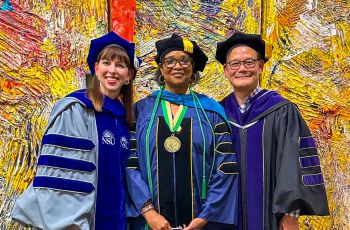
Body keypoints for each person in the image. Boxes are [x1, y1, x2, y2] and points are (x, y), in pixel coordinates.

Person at [11, 31, 140, 230]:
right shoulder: (75, 109)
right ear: (96, 69)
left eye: (120, 65)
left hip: (117, 219)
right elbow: (60, 175)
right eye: (106, 63)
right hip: (81, 222)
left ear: (128, 76)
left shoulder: (126, 121)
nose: (112, 70)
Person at [215, 31, 329, 230]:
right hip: (225, 217)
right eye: (235, 64)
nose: (242, 69)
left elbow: (294, 164)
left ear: (260, 66)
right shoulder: (218, 113)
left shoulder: (282, 111)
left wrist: (290, 214)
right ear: (226, 70)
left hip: (271, 218)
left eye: (249, 62)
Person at [126, 34, 238, 230]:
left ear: (193, 66)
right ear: (161, 67)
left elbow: (225, 168)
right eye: (169, 61)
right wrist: (148, 212)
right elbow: (130, 164)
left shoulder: (211, 112)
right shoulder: (141, 111)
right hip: (149, 223)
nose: (177, 66)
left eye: (184, 60)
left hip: (203, 222)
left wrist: (205, 217)